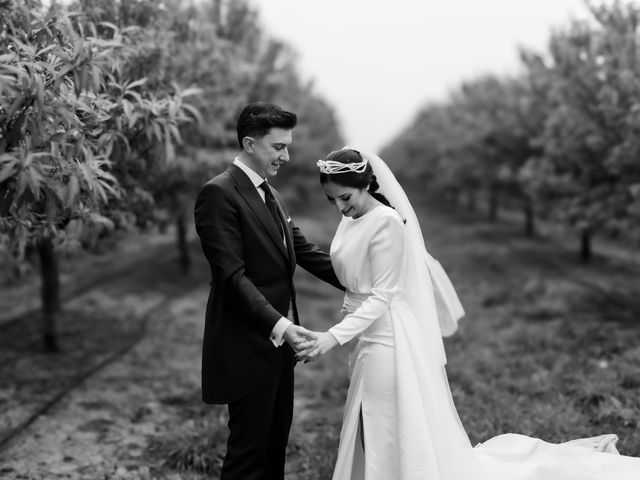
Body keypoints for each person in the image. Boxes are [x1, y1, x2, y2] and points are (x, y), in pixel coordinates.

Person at [301, 147, 640, 479]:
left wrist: (331, 336)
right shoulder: (353, 217)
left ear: (365, 185)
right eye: (332, 201)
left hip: (385, 335)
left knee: (380, 420)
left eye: (345, 197)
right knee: (369, 416)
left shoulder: (386, 222)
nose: (341, 207)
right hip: (362, 334)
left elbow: (381, 297)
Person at [193, 102, 343, 480]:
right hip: (248, 344)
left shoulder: (269, 194)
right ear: (249, 144)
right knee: (247, 456)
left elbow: (305, 252)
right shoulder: (219, 194)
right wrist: (281, 326)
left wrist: (370, 280)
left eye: (287, 146)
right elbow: (232, 276)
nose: (287, 156)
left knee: (275, 449)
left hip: (279, 349)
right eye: (278, 147)